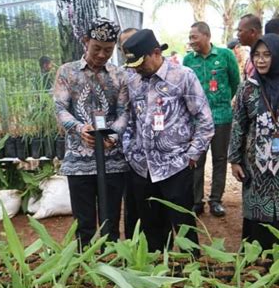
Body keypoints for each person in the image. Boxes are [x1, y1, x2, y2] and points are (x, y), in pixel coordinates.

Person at [122, 29, 214, 252]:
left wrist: (192, 154)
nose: (138, 70)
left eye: (141, 64)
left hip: (175, 167)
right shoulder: (133, 80)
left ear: (155, 53)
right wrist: (129, 150)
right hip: (142, 168)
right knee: (152, 229)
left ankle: (192, 276)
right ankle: (158, 277)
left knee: (184, 227)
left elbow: (205, 121)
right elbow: (128, 119)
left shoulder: (183, 76)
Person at [54, 17, 129, 249]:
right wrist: (79, 128)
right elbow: (60, 108)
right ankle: (85, 268)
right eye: (96, 48)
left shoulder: (119, 75)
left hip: (112, 161)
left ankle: (113, 263)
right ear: (86, 41)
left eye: (108, 50)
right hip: (78, 161)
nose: (101, 55)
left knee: (111, 221)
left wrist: (112, 135)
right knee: (83, 223)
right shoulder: (67, 72)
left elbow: (124, 112)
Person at [228, 34, 279, 253]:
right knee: (257, 216)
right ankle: (257, 266)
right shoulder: (247, 88)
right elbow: (239, 125)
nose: (260, 60)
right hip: (255, 164)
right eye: (256, 55)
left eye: (267, 55)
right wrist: (234, 159)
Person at [183, 21, 240, 217]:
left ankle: (216, 200)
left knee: (220, 158)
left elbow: (235, 82)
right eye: (190, 37)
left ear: (206, 36)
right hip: (196, 120)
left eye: (194, 37)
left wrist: (223, 101)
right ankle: (196, 201)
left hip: (222, 117)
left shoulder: (225, 55)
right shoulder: (188, 60)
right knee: (196, 159)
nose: (191, 41)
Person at [117, 27, 139, 240]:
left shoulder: (154, 69)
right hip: (130, 152)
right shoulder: (121, 75)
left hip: (158, 156)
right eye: (126, 46)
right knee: (131, 203)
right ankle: (133, 246)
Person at [237, 14, 262, 80]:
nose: (237, 34)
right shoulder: (252, 54)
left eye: (240, 31)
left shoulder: (264, 57)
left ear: (252, 32)